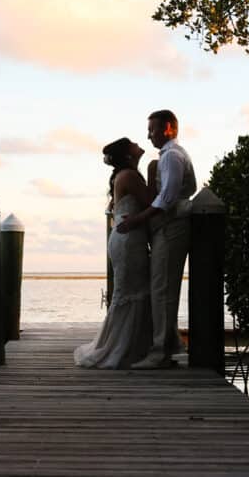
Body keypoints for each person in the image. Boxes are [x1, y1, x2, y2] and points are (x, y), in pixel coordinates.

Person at [116, 110, 196, 369]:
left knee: (162, 290)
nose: (148, 135)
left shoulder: (172, 156)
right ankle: (171, 345)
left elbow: (166, 199)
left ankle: (160, 352)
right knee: (162, 288)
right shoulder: (166, 157)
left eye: (152, 129)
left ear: (169, 128)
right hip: (166, 227)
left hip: (171, 227)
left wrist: (136, 222)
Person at [74, 137, 154, 369]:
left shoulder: (125, 175)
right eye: (133, 144)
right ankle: (123, 349)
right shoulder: (129, 176)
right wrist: (153, 171)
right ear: (128, 154)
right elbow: (152, 201)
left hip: (126, 237)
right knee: (133, 292)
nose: (139, 143)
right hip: (129, 239)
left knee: (130, 291)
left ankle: (133, 347)